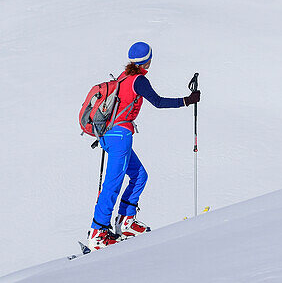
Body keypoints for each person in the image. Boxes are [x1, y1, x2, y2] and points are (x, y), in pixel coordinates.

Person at [86, 41, 200, 250]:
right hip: (120, 136)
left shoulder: (122, 78)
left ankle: (125, 221)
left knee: (140, 175)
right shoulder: (138, 80)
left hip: (109, 135)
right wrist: (187, 100)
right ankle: (97, 232)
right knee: (113, 183)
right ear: (147, 61)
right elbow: (157, 102)